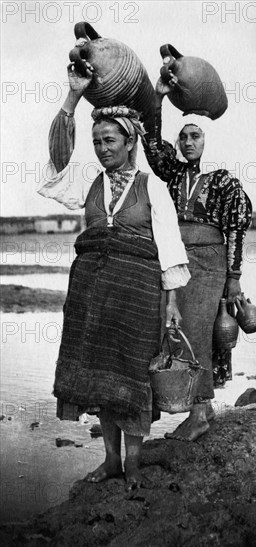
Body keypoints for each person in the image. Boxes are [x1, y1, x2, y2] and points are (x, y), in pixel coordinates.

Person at [37, 62, 190, 490]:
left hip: (138, 295)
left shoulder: (152, 185)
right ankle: (110, 460)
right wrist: (72, 97)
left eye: (110, 141)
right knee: (101, 375)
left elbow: (171, 245)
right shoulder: (90, 184)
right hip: (91, 295)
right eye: (97, 142)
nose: (102, 149)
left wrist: (173, 304)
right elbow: (55, 163)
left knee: (133, 375)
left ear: (129, 142)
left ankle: (135, 465)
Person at [142, 73, 252, 442]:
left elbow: (236, 228)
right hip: (176, 260)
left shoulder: (224, 182)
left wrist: (233, 278)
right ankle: (173, 399)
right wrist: (157, 100)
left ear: (209, 139)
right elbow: (152, 143)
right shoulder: (174, 175)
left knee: (200, 333)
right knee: (168, 327)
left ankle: (201, 412)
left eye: (196, 136)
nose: (188, 142)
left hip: (209, 265)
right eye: (184, 136)